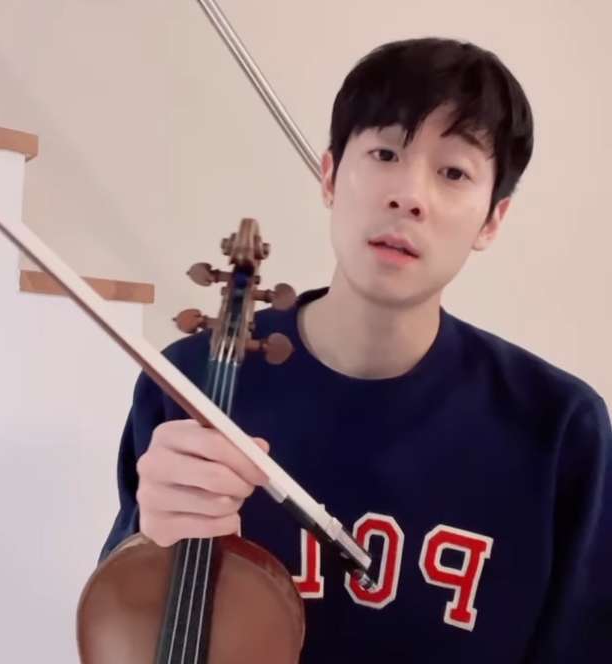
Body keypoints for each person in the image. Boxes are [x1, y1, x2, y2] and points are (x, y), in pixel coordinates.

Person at [99, 37, 612, 662]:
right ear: (330, 176)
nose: (409, 195)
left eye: (453, 172)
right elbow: (125, 628)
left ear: (492, 220)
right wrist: (148, 538)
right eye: (385, 153)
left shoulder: (558, 428)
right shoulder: (188, 382)